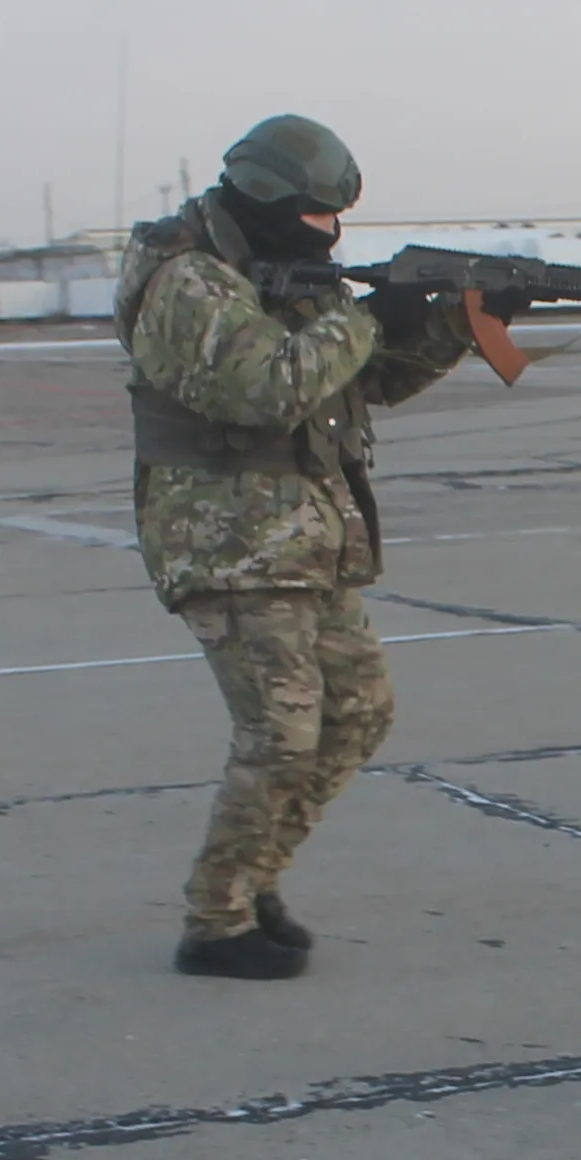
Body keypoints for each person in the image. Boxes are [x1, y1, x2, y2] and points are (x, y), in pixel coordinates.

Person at [122, 113, 474, 977]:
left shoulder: (288, 272)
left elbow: (370, 380)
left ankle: (253, 874)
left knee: (359, 713)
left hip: (304, 534)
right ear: (272, 201)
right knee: (281, 732)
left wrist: (454, 323)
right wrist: (363, 316)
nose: (333, 234)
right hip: (227, 536)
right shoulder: (189, 279)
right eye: (320, 214)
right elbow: (268, 386)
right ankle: (216, 921)